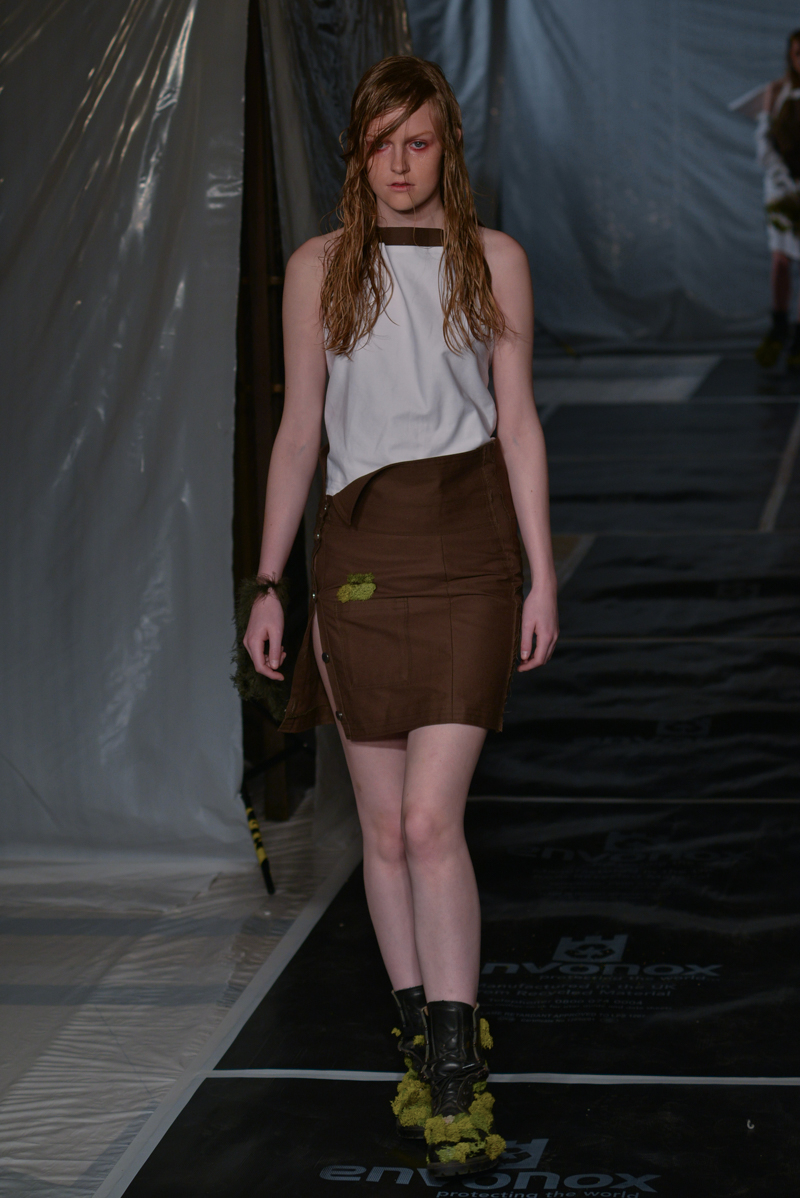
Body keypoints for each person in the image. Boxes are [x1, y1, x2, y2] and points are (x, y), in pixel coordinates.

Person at [242, 55, 558, 1177]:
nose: (399, 163)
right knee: (381, 831)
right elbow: (300, 432)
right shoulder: (319, 266)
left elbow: (517, 423)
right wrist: (269, 583)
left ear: (446, 147)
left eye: (417, 141)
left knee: (429, 821)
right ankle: (422, 1042)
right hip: (359, 564)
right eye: (380, 144)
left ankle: (459, 1070)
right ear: (358, 152)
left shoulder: (495, 260)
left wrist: (541, 576)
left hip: (469, 553)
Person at [755, 29, 800, 368]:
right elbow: (763, 145)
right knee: (781, 260)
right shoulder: (778, 91)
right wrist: (785, 183)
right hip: (780, 187)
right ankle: (779, 326)